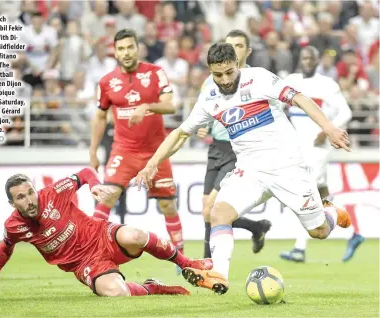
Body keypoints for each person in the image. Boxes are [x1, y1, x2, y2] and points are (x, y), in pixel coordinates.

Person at [134, 43, 352, 295]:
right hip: (250, 171)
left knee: (319, 231)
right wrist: (152, 164)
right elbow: (181, 133)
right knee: (219, 214)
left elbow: (299, 98)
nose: (225, 80)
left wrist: (329, 128)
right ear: (210, 71)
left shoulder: (258, 78)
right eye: (218, 74)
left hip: (287, 166)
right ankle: (220, 276)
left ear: (237, 65)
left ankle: (333, 213)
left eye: (229, 72)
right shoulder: (209, 98)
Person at [0, 168, 212, 297]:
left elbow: (85, 173)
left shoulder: (53, 193)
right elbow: (5, 248)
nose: (29, 200)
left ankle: (187, 262)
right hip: (84, 263)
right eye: (21, 198)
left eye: (30, 192)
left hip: (100, 234)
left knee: (135, 236)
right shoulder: (14, 226)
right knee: (115, 292)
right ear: (13, 204)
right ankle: (154, 287)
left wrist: (94, 185)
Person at [89, 29, 185, 267]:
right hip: (123, 151)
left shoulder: (155, 73)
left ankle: (181, 259)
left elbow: (170, 106)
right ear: (116, 52)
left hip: (156, 152)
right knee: (106, 198)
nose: (126, 52)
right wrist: (92, 151)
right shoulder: (107, 82)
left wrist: (146, 107)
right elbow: (100, 117)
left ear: (138, 48)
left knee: (168, 205)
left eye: (130, 47)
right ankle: (92, 253)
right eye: (121, 48)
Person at [279, 46, 363, 263]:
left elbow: (346, 112)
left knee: (307, 189)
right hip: (299, 146)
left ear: (317, 61)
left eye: (311, 58)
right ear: (300, 60)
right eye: (304, 57)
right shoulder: (292, 80)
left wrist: (328, 130)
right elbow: (277, 106)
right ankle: (353, 233)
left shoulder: (327, 84)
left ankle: (299, 248)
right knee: (323, 194)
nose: (307, 61)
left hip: (319, 145)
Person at [198, 30, 272, 258]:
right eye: (230, 46)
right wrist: (205, 126)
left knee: (212, 207)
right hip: (216, 148)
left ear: (247, 51)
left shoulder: (256, 79)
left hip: (239, 149)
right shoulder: (211, 81)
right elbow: (205, 110)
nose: (233, 50)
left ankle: (206, 262)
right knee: (206, 211)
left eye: (239, 46)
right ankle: (256, 227)